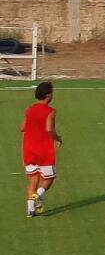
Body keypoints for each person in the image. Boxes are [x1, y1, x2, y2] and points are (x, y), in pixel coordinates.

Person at [21, 81, 62, 218]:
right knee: (49, 178)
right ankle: (36, 196)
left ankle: (30, 209)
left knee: (33, 179)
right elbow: (49, 129)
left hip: (29, 148)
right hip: (44, 149)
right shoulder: (51, 111)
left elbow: (22, 127)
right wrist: (58, 138)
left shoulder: (30, 109)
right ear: (48, 95)